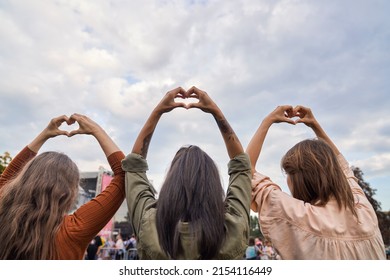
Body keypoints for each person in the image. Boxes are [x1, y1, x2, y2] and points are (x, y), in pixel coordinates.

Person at [122, 86, 252, 259]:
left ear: (171, 183)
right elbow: (241, 167)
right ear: (212, 184)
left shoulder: (149, 223)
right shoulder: (232, 225)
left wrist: (158, 112)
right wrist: (216, 112)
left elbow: (134, 167)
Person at [246, 105, 386, 259]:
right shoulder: (364, 211)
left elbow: (244, 170)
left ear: (299, 179)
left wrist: (267, 121)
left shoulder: (301, 217)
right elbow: (343, 168)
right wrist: (314, 124)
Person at [0, 114, 125, 259]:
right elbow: (124, 175)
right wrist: (96, 130)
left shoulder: (4, 213)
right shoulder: (73, 229)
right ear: (69, 193)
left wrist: (44, 134)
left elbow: (6, 180)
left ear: (23, 179)